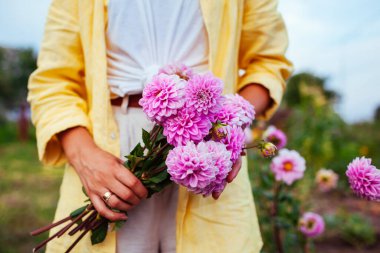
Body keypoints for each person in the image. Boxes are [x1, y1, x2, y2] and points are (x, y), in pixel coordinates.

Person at [28, 0, 292, 252]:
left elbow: (267, 63)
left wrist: (228, 122)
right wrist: (85, 157)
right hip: (105, 149)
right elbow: (54, 81)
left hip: (208, 141)